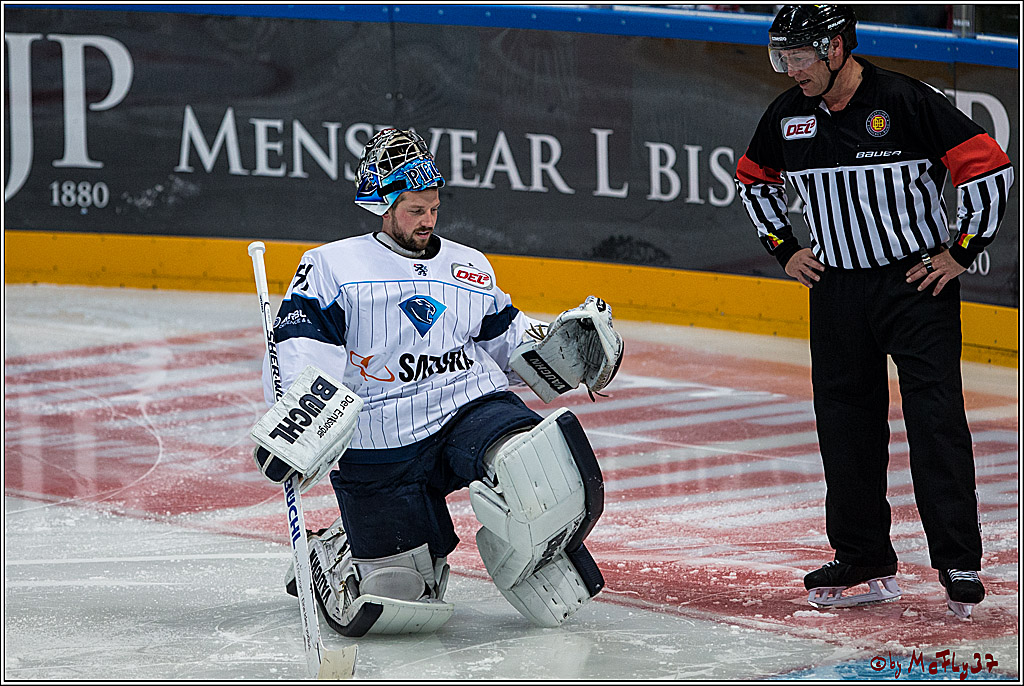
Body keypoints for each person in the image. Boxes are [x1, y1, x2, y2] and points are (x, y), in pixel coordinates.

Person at [253, 128, 623, 636]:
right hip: (378, 441)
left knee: (535, 464)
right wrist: (300, 423)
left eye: (434, 208)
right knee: (400, 600)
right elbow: (304, 346)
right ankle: (337, 555)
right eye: (414, 210)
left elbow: (505, 340)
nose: (428, 221)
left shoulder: (468, 265)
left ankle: (540, 551)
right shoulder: (331, 266)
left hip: (466, 408)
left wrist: (561, 350)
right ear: (383, 206)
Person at [735, 5, 1013, 619]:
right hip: (836, 291)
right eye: (781, 57)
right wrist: (784, 248)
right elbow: (752, 178)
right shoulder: (788, 115)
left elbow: (988, 164)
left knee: (935, 419)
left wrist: (961, 251)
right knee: (844, 425)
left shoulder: (906, 100)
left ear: (837, 48)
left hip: (915, 288)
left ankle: (958, 559)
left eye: (799, 56)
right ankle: (862, 555)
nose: (789, 69)